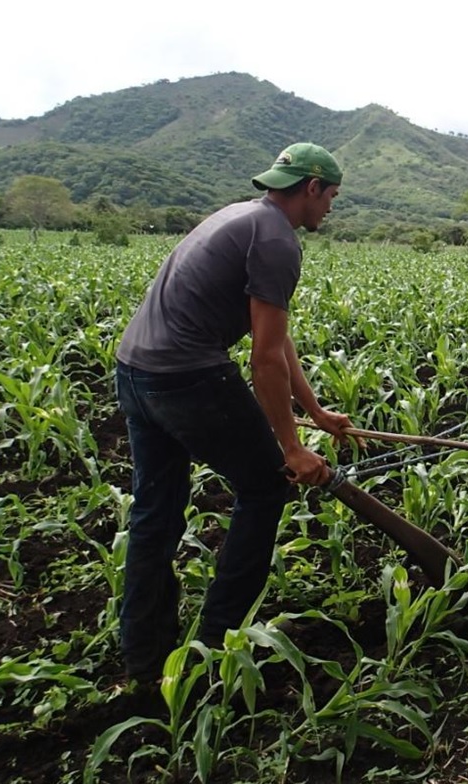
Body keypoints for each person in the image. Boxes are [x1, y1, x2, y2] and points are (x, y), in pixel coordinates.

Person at [114, 142, 354, 685]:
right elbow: (263, 359)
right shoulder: (276, 241)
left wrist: (313, 411)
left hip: (135, 372)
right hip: (187, 377)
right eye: (331, 196)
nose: (331, 209)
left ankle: (146, 658)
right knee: (268, 487)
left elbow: (278, 339)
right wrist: (291, 449)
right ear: (311, 188)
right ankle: (215, 644)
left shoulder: (241, 216)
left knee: (155, 514)